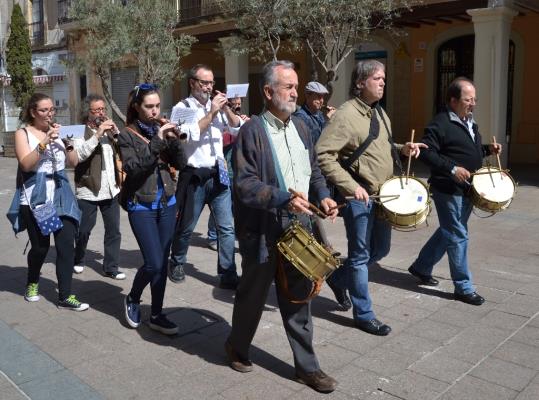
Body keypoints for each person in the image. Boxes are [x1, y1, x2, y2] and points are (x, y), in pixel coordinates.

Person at [225, 60, 339, 393]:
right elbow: (244, 184)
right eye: (288, 86)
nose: (294, 92)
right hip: (261, 229)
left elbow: (313, 170)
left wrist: (324, 196)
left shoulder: (303, 128)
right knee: (252, 296)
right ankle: (237, 346)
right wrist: (281, 197)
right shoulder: (252, 131)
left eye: (295, 86)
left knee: (299, 298)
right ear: (268, 91)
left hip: (299, 228)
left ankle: (307, 368)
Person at [316, 60, 426, 335]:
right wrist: (350, 186)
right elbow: (323, 154)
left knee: (380, 250)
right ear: (360, 82)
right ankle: (363, 314)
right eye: (377, 78)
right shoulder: (345, 114)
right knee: (360, 255)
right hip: (359, 196)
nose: (382, 83)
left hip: (383, 196)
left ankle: (338, 278)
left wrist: (403, 149)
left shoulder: (380, 113)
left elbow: (384, 147)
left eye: (384, 79)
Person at [409, 77, 501, 306]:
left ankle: (421, 266)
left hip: (468, 188)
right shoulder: (439, 124)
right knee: (458, 235)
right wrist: (451, 169)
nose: (473, 104)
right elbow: (427, 153)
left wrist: (487, 149)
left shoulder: (470, 122)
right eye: (468, 100)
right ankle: (463, 287)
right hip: (448, 188)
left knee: (450, 231)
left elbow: (467, 150)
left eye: (474, 99)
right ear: (452, 100)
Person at [7, 93, 88, 311]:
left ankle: (65, 295)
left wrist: (69, 143)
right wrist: (44, 142)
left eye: (52, 109)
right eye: (44, 110)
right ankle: (33, 281)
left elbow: (73, 163)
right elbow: (26, 164)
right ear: (33, 112)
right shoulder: (23, 133)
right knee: (41, 247)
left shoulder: (59, 133)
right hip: (39, 198)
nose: (50, 114)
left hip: (62, 193)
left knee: (66, 246)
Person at [119, 83, 186, 335]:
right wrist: (157, 142)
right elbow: (134, 168)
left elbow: (182, 163)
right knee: (154, 263)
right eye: (149, 106)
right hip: (141, 205)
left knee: (162, 262)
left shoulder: (161, 130)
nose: (155, 111)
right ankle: (133, 298)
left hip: (167, 203)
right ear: (136, 107)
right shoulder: (126, 135)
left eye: (157, 106)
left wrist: (174, 140)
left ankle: (157, 314)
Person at [169, 64, 240, 289]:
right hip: (194, 175)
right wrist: (211, 114)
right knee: (187, 225)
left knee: (227, 227)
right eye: (204, 83)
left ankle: (228, 272)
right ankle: (177, 261)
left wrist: (227, 108)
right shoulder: (183, 107)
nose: (209, 87)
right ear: (192, 83)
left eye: (211, 83)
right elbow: (187, 137)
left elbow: (236, 129)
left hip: (218, 173)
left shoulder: (216, 106)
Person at [293, 81, 343, 293]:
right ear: (306, 95)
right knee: (313, 230)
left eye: (323, 97)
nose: (321, 101)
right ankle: (333, 278)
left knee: (313, 228)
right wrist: (329, 123)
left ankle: (322, 265)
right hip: (307, 183)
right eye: (316, 97)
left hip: (319, 180)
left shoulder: (318, 116)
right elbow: (316, 146)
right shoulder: (300, 118)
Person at [72, 94, 124, 279]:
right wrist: (98, 134)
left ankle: (111, 267)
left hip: (110, 188)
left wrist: (116, 134)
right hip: (89, 189)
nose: (101, 113)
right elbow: (80, 155)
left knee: (114, 230)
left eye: (103, 109)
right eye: (97, 110)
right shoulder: (79, 131)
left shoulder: (109, 131)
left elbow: (121, 149)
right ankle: (78, 258)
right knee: (84, 229)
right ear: (88, 112)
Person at [206, 96, 248, 251]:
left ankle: (229, 232)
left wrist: (244, 124)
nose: (237, 106)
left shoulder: (238, 118)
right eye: (234, 104)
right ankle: (212, 235)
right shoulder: (221, 117)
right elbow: (221, 139)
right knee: (220, 202)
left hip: (237, 168)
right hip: (224, 167)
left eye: (239, 104)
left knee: (232, 204)